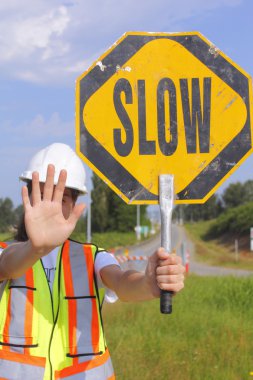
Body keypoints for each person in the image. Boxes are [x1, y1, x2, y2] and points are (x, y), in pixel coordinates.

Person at [0, 143, 185, 380]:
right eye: (44, 195)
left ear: (75, 205)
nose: (52, 206)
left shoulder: (92, 256)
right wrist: (36, 248)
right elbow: (7, 266)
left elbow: (122, 283)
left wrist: (149, 283)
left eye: (62, 197)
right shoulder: (7, 253)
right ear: (28, 198)